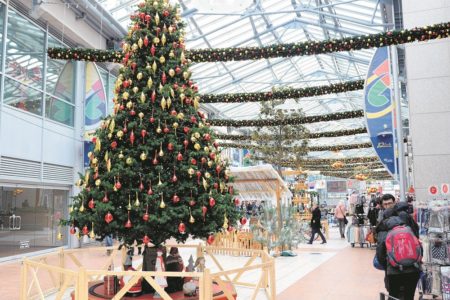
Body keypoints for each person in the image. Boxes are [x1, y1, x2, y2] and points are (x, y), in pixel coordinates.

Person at [376, 208, 421, 300]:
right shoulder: (407, 227)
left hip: (394, 270)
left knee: (394, 295)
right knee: (409, 296)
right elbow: (419, 247)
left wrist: (388, 265)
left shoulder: (383, 231)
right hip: (413, 268)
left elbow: (380, 255)